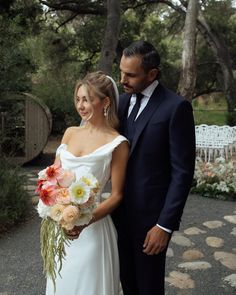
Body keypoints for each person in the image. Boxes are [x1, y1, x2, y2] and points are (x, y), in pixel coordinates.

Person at [112, 40, 196, 295]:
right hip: (119, 215)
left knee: (149, 287)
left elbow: (182, 173)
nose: (123, 80)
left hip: (152, 222)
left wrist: (164, 226)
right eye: (121, 72)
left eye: (130, 74)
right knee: (127, 283)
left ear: (152, 74)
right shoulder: (123, 103)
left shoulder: (176, 108)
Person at [46, 71, 129, 295]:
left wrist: (85, 220)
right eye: (78, 99)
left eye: (88, 99)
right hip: (61, 228)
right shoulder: (70, 133)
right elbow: (53, 178)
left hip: (92, 231)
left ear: (105, 102)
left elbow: (117, 195)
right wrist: (55, 207)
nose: (81, 105)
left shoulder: (118, 143)